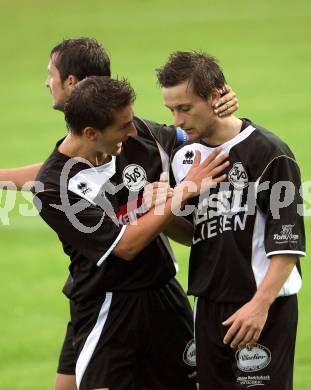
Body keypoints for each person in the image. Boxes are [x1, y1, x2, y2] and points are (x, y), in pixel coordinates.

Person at [0, 38, 239, 390]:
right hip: (106, 301)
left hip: (161, 291)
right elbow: (123, 245)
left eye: (50, 73)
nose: (133, 131)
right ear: (92, 133)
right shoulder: (55, 187)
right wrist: (182, 192)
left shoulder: (137, 135)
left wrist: (220, 105)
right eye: (124, 127)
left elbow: (203, 135)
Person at [156, 51, 306, 390]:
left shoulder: (270, 153)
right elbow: (196, 233)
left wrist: (259, 306)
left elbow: (288, 243)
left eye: (185, 108)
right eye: (171, 110)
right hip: (209, 305)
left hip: (262, 305)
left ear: (215, 97)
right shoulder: (184, 158)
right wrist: (162, 213)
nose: (177, 121)